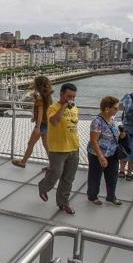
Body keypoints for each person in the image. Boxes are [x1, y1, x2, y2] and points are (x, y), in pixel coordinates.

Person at [38, 83, 79, 215]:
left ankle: (63, 202)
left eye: (73, 97)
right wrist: (64, 106)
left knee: (68, 178)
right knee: (55, 173)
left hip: (73, 148)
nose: (71, 99)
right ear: (61, 94)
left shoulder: (75, 109)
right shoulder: (52, 108)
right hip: (57, 149)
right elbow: (54, 121)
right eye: (69, 96)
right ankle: (43, 186)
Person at [87, 96, 125, 206]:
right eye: (116, 108)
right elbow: (94, 141)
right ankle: (92, 196)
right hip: (97, 154)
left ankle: (111, 196)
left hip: (112, 153)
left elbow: (116, 134)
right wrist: (101, 156)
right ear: (107, 108)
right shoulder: (97, 122)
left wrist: (122, 134)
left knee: (113, 176)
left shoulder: (113, 119)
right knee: (95, 176)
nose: (118, 110)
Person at [12, 76, 52, 168]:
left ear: (37, 85)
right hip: (46, 124)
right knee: (46, 145)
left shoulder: (39, 97)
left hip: (41, 125)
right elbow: (46, 110)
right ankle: (52, 165)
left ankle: (23, 162)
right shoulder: (47, 96)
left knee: (31, 143)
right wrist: (35, 116)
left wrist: (37, 126)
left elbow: (41, 111)